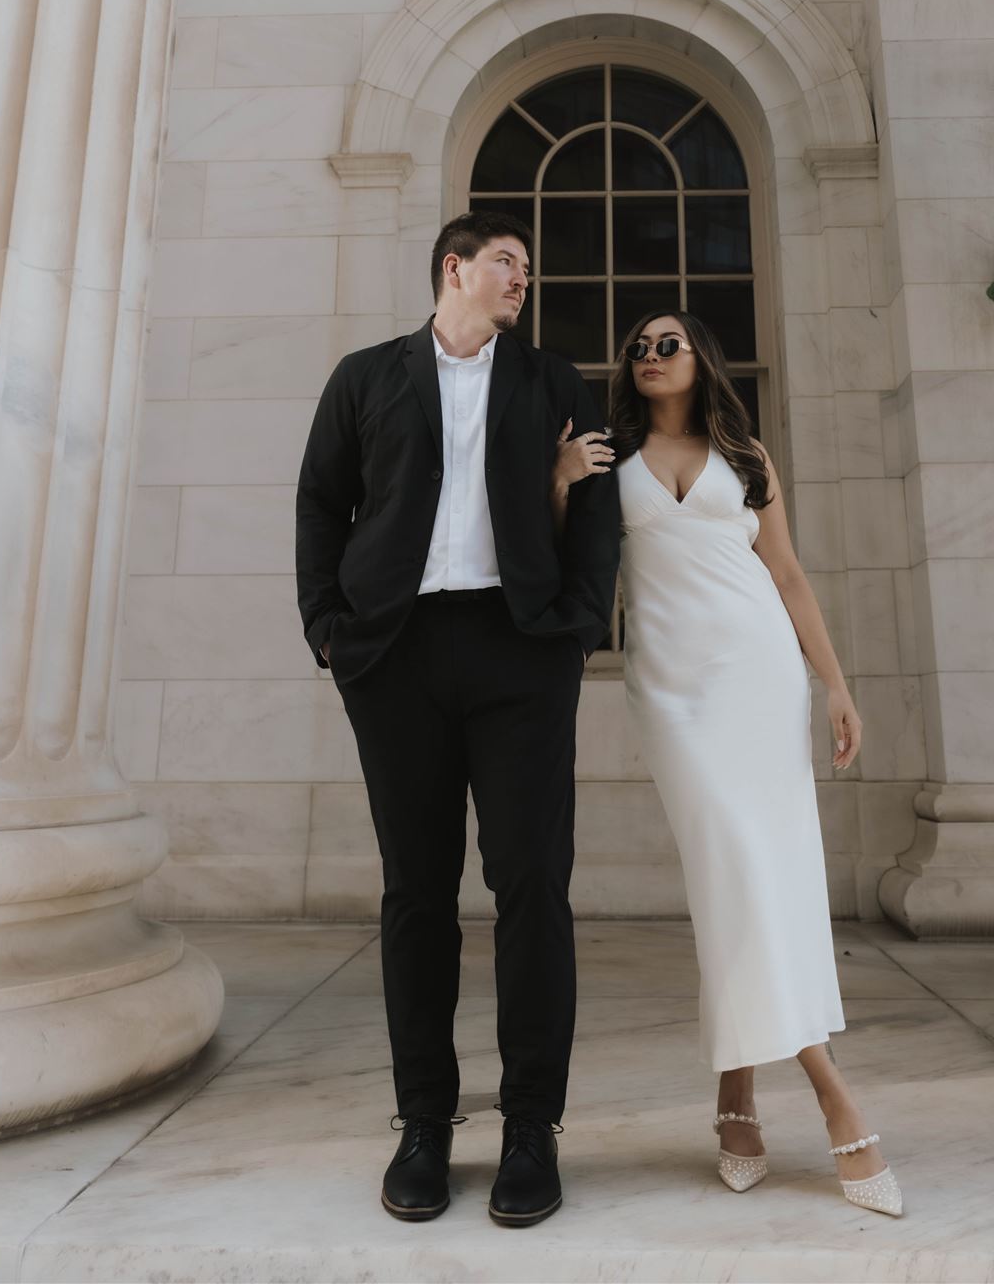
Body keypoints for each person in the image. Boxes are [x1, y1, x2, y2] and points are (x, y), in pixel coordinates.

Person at [297, 212, 619, 1229]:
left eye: (527, 263)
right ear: (455, 269)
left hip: (520, 650)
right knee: (415, 892)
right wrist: (328, 632)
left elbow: (597, 501)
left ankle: (532, 1125)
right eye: (505, 262)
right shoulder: (366, 376)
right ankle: (424, 1122)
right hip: (394, 656)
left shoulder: (553, 381)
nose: (521, 276)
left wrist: (575, 627)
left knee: (532, 883)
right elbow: (320, 502)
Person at [551, 310, 902, 1218]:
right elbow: (567, 554)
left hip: (759, 679)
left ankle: (737, 1098)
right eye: (636, 346)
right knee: (732, 873)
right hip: (672, 692)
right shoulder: (603, 456)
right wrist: (558, 484)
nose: (649, 355)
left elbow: (786, 574)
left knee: (757, 882)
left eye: (667, 343)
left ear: (701, 357)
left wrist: (834, 684)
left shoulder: (747, 457)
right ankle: (834, 1096)